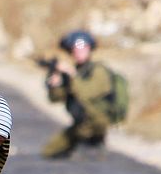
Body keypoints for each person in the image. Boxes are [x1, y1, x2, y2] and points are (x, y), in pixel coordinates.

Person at [41, 30, 113, 159]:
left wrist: (72, 75)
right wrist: (55, 84)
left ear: (90, 49)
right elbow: (55, 99)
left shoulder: (98, 70)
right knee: (49, 151)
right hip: (78, 124)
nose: (79, 52)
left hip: (97, 121)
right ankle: (81, 141)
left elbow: (87, 93)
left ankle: (94, 142)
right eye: (76, 49)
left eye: (83, 48)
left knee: (90, 147)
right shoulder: (73, 71)